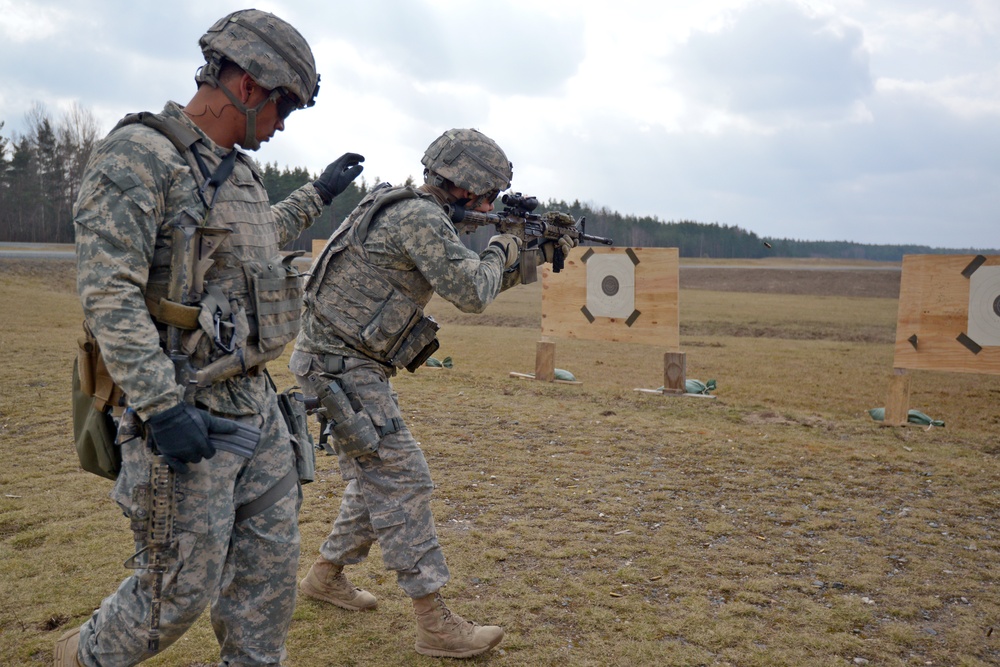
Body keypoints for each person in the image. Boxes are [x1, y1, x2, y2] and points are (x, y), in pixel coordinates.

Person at [55, 9, 363, 666]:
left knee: (266, 587)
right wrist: (161, 406)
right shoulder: (139, 156)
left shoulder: (237, 170)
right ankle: (74, 658)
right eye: (284, 109)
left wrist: (320, 193)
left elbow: (253, 242)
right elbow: (108, 291)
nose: (281, 127)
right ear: (249, 87)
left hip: (256, 410)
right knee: (173, 595)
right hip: (187, 418)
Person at [288, 128, 575, 659]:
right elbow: (471, 292)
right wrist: (509, 241)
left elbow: (470, 275)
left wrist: (530, 255)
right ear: (466, 186)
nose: (488, 204)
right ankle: (435, 623)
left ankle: (326, 575)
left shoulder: (403, 205)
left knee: (378, 476)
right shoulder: (420, 218)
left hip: (342, 365)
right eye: (486, 194)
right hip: (342, 370)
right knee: (403, 479)